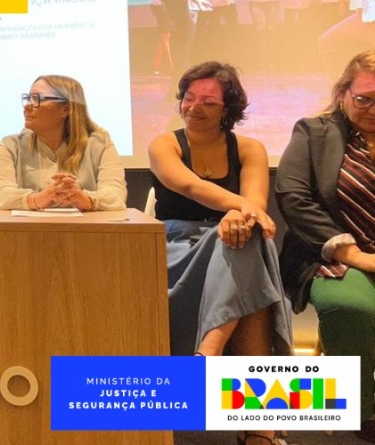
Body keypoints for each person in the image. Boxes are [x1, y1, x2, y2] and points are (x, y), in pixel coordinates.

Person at [148, 61, 291, 445]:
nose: (194, 107)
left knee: (246, 240)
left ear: (228, 109)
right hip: (175, 247)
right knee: (250, 256)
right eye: (188, 98)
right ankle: (260, 427)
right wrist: (241, 210)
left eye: (208, 102)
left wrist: (241, 215)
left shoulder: (249, 148)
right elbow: (190, 187)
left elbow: (256, 201)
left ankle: (208, 356)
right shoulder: (164, 143)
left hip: (233, 247)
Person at [276, 50, 375, 441]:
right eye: (364, 98)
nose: (372, 109)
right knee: (350, 307)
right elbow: (294, 197)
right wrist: (351, 253)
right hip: (334, 256)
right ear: (342, 93)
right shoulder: (314, 133)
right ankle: (359, 412)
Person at [0, 75, 127, 211]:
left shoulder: (99, 145)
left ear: (66, 109)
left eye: (37, 98)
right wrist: (37, 199)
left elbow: (116, 195)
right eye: (28, 98)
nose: (27, 106)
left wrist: (85, 199)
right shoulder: (11, 146)